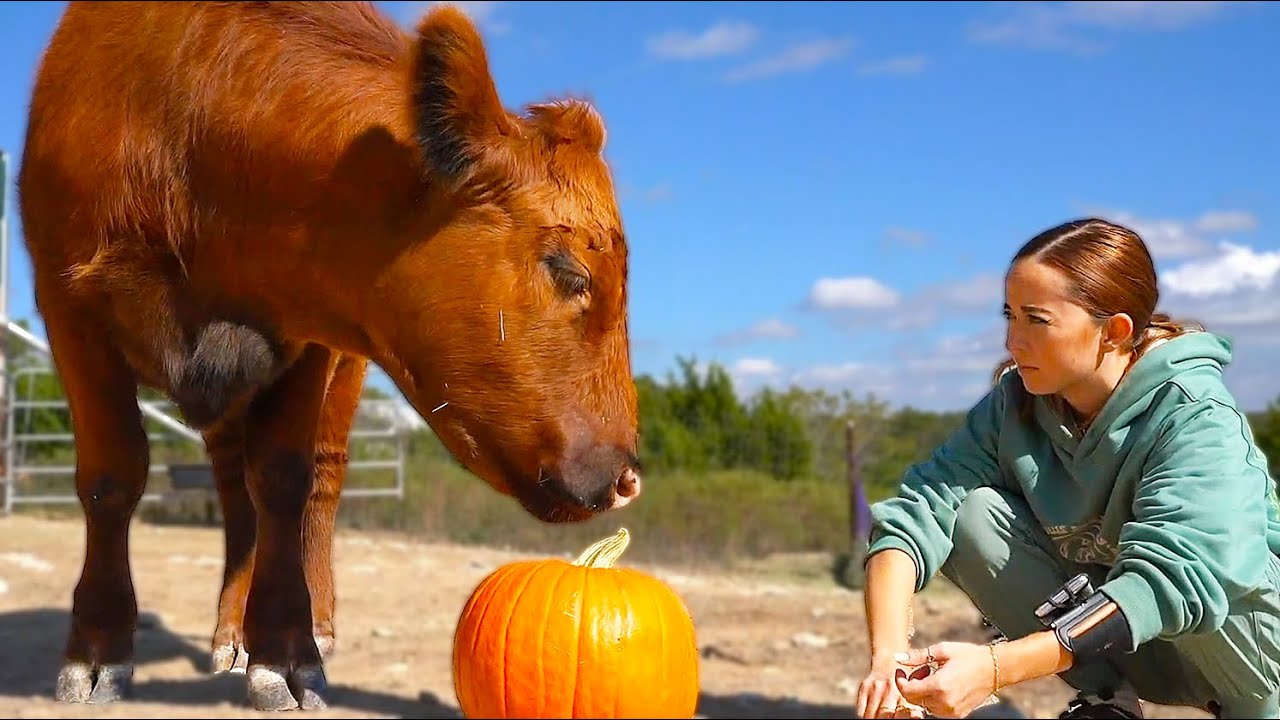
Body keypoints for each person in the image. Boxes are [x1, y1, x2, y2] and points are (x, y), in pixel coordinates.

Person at [854, 217, 1280, 720]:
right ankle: (1108, 702)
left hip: (1247, 656)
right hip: (1122, 642)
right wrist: (889, 662)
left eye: (1037, 320)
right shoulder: (1012, 407)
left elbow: (1176, 582)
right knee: (969, 511)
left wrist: (995, 667)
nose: (1013, 341)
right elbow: (916, 514)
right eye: (1009, 316)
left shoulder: (1196, 416)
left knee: (1214, 575)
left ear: (1115, 332)